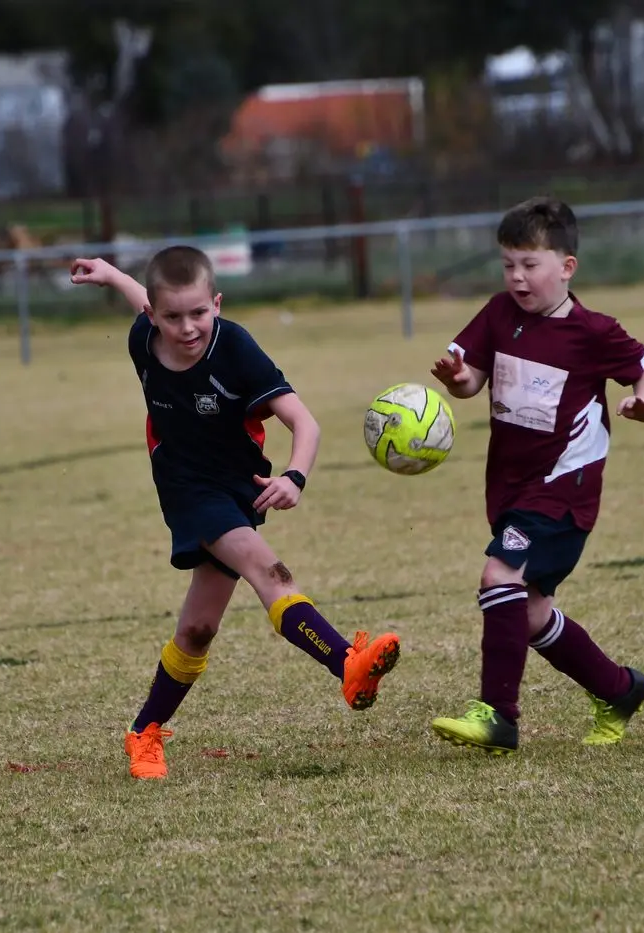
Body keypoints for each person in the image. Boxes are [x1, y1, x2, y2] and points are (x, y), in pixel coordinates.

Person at [69, 247, 401, 780]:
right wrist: (114, 277)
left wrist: (294, 476)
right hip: (186, 489)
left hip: (238, 487)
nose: (187, 327)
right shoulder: (144, 340)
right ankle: (346, 662)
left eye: (199, 313)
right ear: (152, 317)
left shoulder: (237, 349)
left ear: (216, 305)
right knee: (263, 566)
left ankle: (144, 731)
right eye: (172, 317)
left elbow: (305, 423)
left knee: (198, 629)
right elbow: (144, 298)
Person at [426, 196, 644, 753]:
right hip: (510, 486)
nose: (518, 277)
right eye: (509, 264)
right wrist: (456, 378)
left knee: (497, 578)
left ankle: (497, 715)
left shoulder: (592, 331)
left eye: (531, 265)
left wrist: (643, 400)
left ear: (566, 267)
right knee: (528, 613)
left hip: (563, 489)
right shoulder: (497, 314)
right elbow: (471, 382)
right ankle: (620, 688)